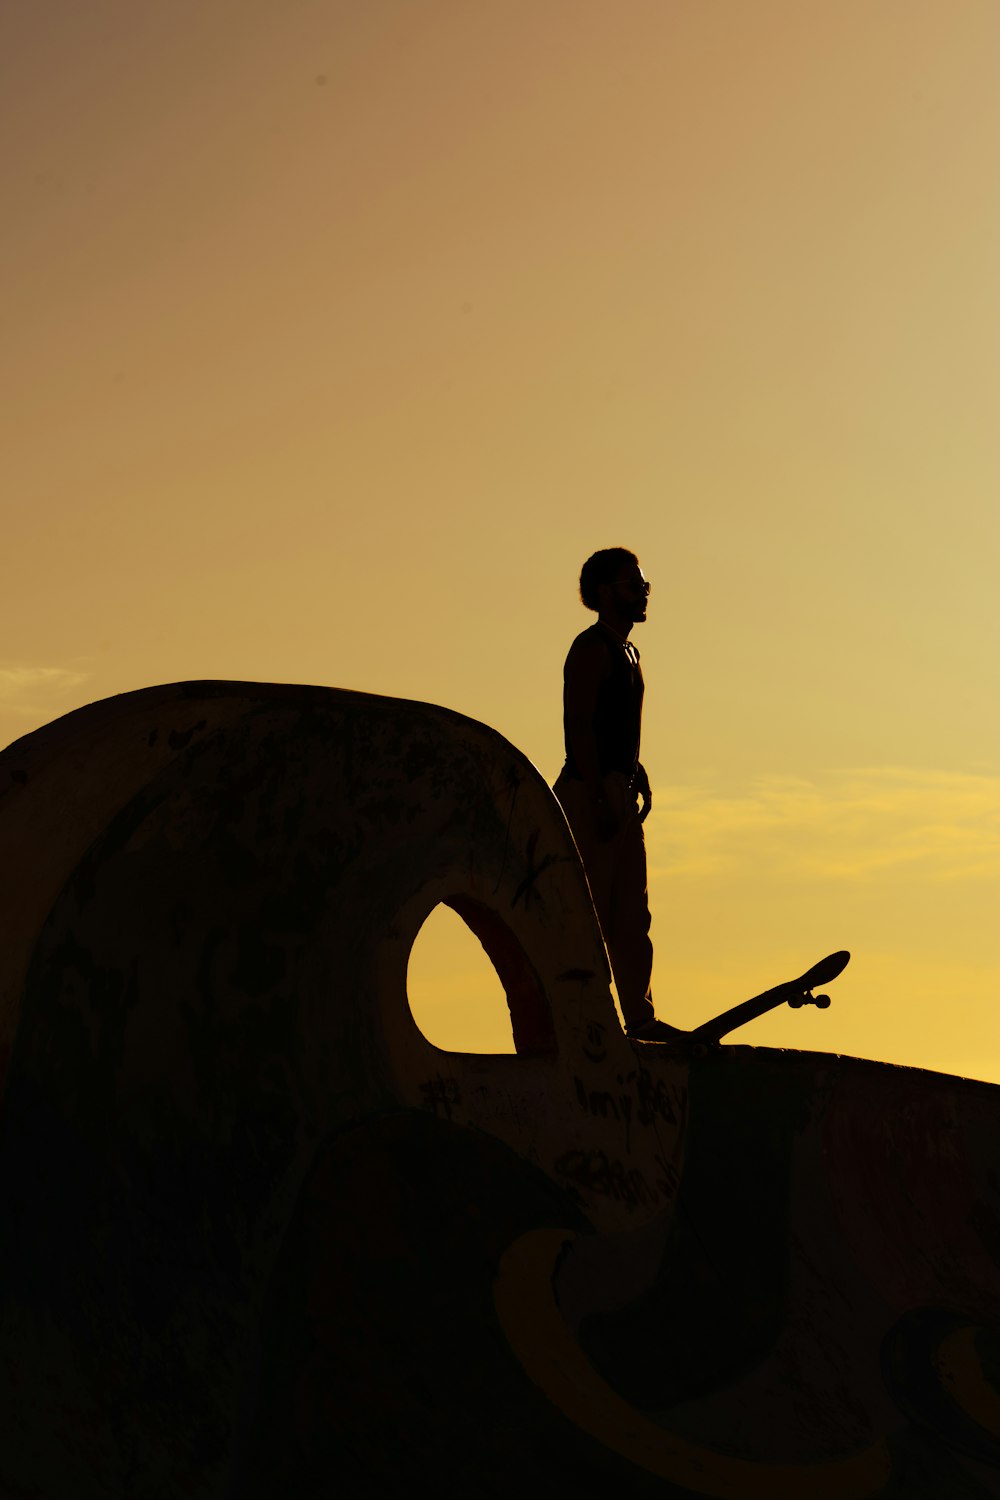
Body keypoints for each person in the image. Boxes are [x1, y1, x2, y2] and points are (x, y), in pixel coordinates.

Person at [554, 548, 680, 1042]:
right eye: (633, 585)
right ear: (604, 592)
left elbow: (616, 728)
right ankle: (586, 1023)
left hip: (617, 791)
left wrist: (634, 771)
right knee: (589, 916)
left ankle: (641, 1020)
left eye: (643, 584)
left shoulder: (629, 652)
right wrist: (602, 795)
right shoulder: (590, 648)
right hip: (589, 793)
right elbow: (578, 727)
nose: (643, 592)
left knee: (632, 916)